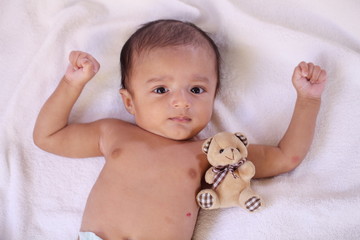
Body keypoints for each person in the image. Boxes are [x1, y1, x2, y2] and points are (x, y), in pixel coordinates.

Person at [33, 19, 327, 240]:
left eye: (196, 89)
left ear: (214, 97)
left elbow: (285, 157)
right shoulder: (113, 134)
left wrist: (308, 100)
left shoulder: (214, 152)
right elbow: (48, 136)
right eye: (161, 89)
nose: (181, 102)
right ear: (129, 101)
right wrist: (72, 84)